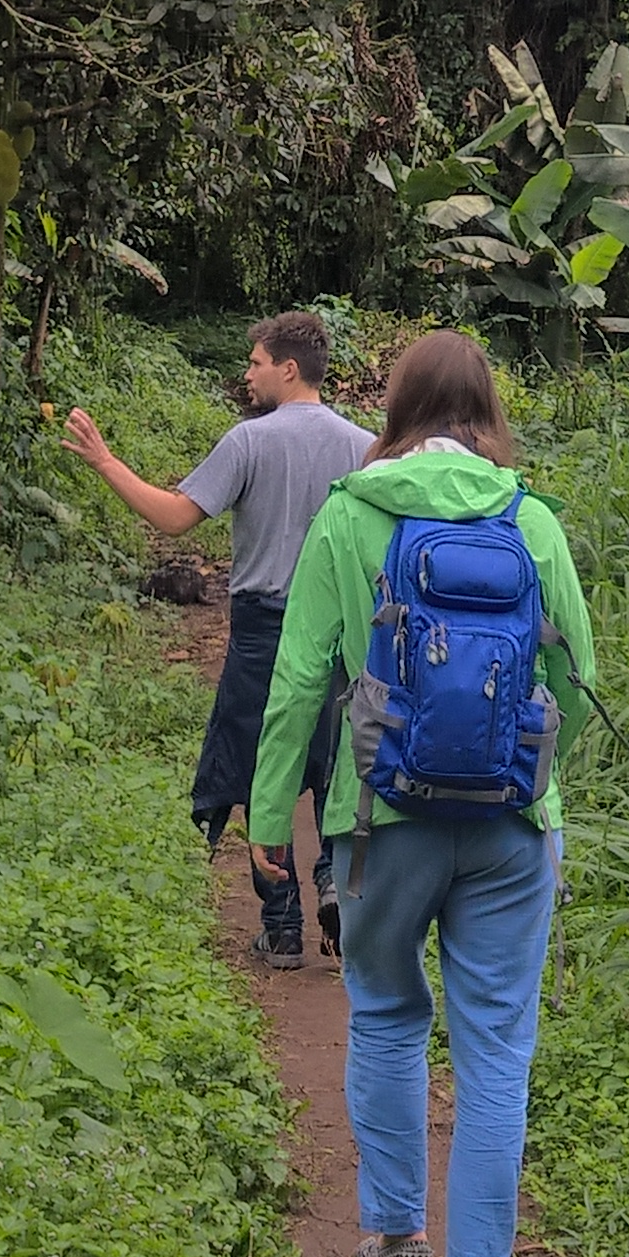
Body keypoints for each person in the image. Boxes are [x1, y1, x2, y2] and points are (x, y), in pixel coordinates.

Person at [246, 331, 596, 1257]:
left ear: (393, 406)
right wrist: (535, 783)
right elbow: (574, 680)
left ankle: (395, 1229)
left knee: (388, 1011)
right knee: (496, 1052)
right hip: (508, 826)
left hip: (375, 818)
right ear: (486, 407)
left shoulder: (351, 516)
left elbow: (298, 678)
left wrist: (271, 814)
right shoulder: (528, 517)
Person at [61, 310, 372, 968]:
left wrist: (105, 461)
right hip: (342, 627)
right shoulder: (365, 448)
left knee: (265, 765)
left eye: (256, 362)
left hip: (265, 626)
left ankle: (282, 925)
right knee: (338, 760)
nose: (248, 373)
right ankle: (334, 883)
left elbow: (176, 518)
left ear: (288, 368)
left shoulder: (248, 442)